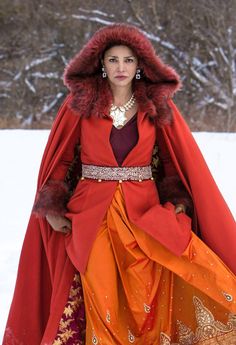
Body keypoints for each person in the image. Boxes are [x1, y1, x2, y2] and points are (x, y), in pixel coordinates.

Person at [3, 23, 236, 345]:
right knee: (100, 289)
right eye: (113, 60)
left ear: (140, 65)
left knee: (146, 291)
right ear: (101, 63)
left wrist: (179, 202)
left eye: (128, 60)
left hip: (143, 212)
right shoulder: (80, 104)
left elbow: (171, 162)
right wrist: (53, 207)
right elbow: (62, 161)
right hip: (91, 213)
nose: (121, 67)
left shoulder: (157, 105)